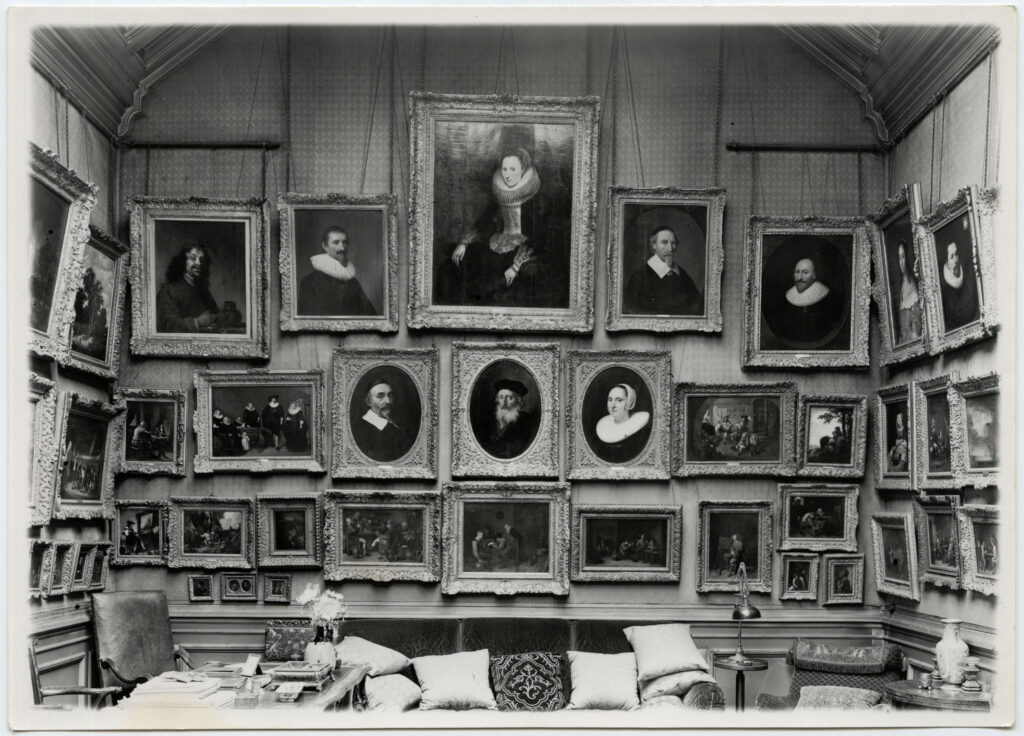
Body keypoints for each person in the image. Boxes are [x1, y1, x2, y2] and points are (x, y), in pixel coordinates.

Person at [435, 147, 565, 308]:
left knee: (496, 285)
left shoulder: (537, 202)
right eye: (504, 169)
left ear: (523, 170)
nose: (507, 174)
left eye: (512, 169)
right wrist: (464, 243)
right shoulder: (499, 196)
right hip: (496, 245)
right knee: (451, 267)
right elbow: (484, 221)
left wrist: (516, 265)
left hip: (522, 250)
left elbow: (539, 237)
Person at [297, 226, 378, 316]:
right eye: (336, 242)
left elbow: (370, 315)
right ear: (325, 246)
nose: (342, 248)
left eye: (344, 242)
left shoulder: (352, 282)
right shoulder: (309, 282)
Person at [623, 226, 703, 315]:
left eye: (673, 243)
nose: (670, 248)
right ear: (654, 245)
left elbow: (697, 306)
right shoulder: (639, 278)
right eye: (664, 242)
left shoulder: (682, 274)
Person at [768, 256, 845, 347]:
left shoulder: (830, 298)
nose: (799, 277)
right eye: (797, 272)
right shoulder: (784, 298)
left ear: (814, 275)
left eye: (805, 272)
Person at [155, 244, 221, 332]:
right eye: (193, 258)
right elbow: (166, 325)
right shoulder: (169, 289)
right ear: (183, 261)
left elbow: (215, 313)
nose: (199, 263)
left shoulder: (203, 291)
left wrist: (219, 317)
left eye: (201, 260)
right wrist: (197, 322)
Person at [476, 378, 540, 459]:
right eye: (501, 397)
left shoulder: (527, 421)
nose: (504, 401)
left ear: (518, 401)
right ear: (497, 400)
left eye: (509, 398)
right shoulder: (487, 420)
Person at [351, 380, 412, 462]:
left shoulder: (395, 423)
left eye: (390, 395)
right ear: (368, 401)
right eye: (380, 396)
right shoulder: (360, 430)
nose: (388, 401)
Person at [594, 383, 651, 463]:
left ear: (628, 402)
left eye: (619, 400)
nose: (613, 405)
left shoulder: (639, 433)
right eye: (610, 400)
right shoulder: (603, 427)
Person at [938, 240, 980, 331]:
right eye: (951, 256)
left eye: (956, 254)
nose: (956, 259)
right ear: (946, 262)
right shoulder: (944, 293)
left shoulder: (969, 277)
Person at [894, 241, 922, 342]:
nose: (901, 262)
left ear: (908, 258)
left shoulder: (914, 285)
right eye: (899, 258)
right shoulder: (899, 287)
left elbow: (917, 332)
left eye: (903, 256)